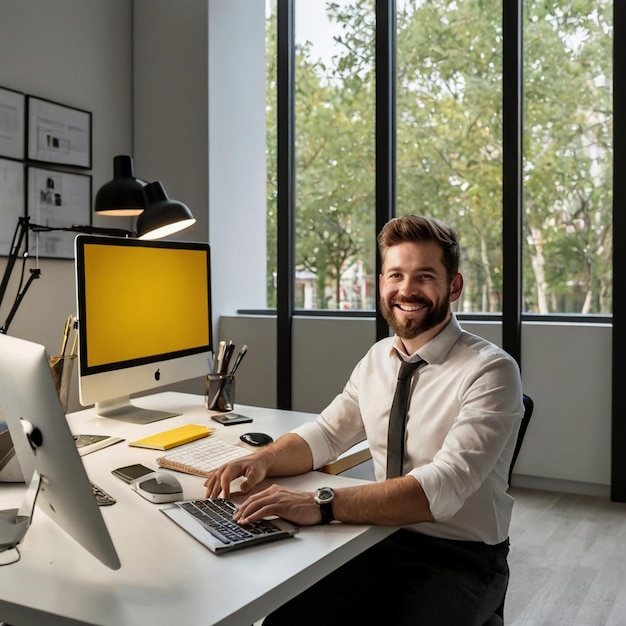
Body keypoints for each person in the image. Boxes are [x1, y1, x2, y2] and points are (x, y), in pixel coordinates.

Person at [205, 214, 524, 626]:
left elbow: (441, 488)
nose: (407, 290)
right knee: (284, 619)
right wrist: (264, 459)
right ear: (381, 284)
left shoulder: (491, 371)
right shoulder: (378, 358)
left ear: (454, 286)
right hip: (373, 537)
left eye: (424, 276)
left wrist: (321, 504)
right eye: (396, 275)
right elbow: (325, 434)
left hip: (459, 558)